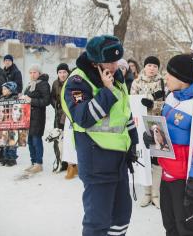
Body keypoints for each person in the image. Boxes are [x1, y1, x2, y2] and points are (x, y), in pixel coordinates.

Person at [61, 35, 139, 236]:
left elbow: (125, 115)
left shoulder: (116, 77)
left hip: (119, 161)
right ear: (95, 61)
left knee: (121, 216)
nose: (114, 66)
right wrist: (108, 91)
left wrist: (133, 143)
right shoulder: (77, 81)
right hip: (96, 160)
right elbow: (84, 117)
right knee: (98, 221)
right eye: (109, 61)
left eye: (116, 60)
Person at [143, 54, 193, 236]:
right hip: (167, 173)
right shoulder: (172, 97)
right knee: (169, 224)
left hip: (186, 179)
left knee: (187, 228)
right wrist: (153, 138)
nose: (166, 77)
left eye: (170, 74)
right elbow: (165, 132)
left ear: (183, 79)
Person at [130, 55, 165, 208]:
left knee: (157, 159)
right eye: (149, 65)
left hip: (157, 122)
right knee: (144, 158)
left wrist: (153, 105)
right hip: (141, 124)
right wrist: (143, 104)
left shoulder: (162, 81)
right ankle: (147, 193)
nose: (152, 68)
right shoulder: (136, 82)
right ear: (144, 67)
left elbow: (165, 102)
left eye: (155, 66)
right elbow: (132, 101)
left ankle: (156, 194)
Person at [20, 64, 51, 174]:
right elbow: (27, 98)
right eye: (31, 72)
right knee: (30, 141)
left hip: (38, 117)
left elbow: (46, 101)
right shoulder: (29, 85)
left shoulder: (43, 84)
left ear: (39, 73)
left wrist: (30, 100)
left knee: (36, 140)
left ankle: (39, 164)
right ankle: (33, 162)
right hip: (28, 117)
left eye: (35, 72)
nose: (32, 75)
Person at [51, 63, 73, 177]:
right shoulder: (55, 83)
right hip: (58, 115)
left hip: (68, 116)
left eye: (64, 72)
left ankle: (70, 163)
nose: (62, 74)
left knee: (68, 140)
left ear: (67, 73)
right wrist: (57, 104)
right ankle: (60, 161)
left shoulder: (71, 82)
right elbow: (52, 97)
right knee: (57, 139)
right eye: (60, 72)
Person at [0, 81, 19, 166]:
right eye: (2, 89)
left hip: (13, 124)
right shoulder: (1, 98)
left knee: (12, 141)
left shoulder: (15, 98)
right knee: (4, 141)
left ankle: (12, 158)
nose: (3, 90)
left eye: (5, 89)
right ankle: (5, 157)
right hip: (4, 123)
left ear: (11, 90)